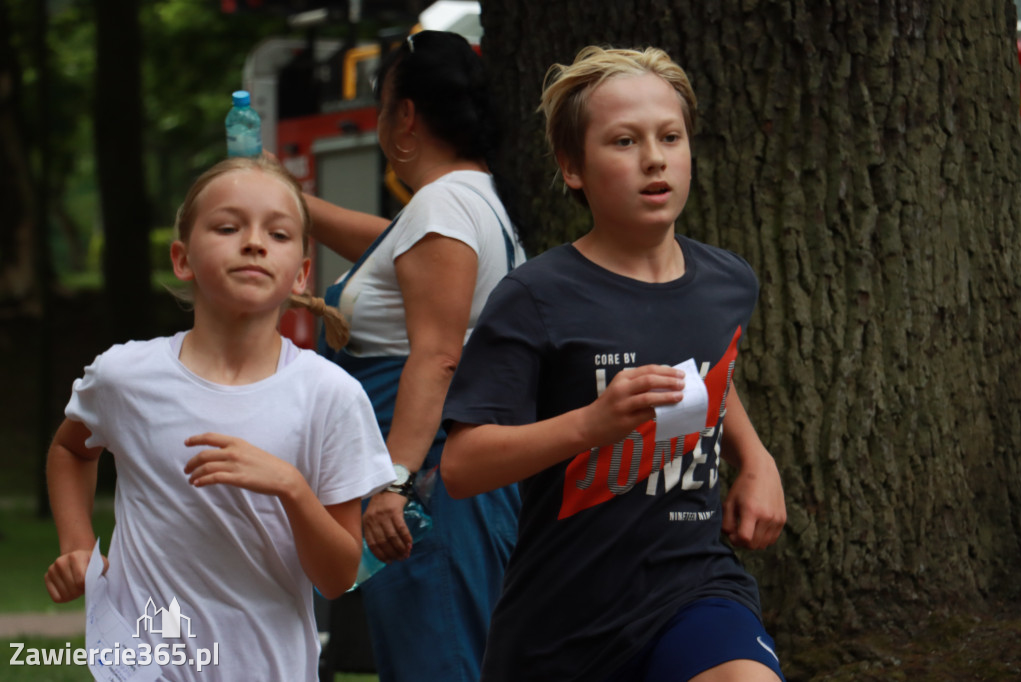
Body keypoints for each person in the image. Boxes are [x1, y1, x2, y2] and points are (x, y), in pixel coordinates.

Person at [441, 46, 788, 682]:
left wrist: (757, 461)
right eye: (624, 141)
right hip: (563, 623)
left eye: (670, 136)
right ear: (572, 167)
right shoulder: (534, 298)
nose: (654, 158)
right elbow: (462, 467)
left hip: (696, 589)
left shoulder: (728, 281)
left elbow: (717, 374)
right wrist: (590, 425)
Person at [43, 156, 395, 681]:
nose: (253, 242)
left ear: (300, 273)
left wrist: (292, 488)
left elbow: (337, 578)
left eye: (277, 233)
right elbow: (71, 450)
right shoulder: (124, 376)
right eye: (228, 227)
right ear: (182, 259)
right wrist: (76, 545)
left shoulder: (331, 395)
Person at [310, 30, 526, 682]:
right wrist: (290, 202)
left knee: (437, 662)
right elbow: (394, 250)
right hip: (449, 485)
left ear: (405, 116)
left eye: (381, 106)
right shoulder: (468, 200)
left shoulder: (440, 206)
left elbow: (435, 357)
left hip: (424, 492)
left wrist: (394, 484)